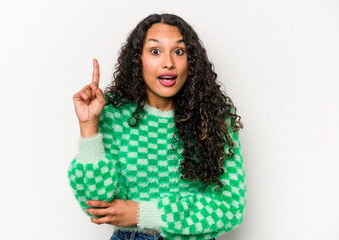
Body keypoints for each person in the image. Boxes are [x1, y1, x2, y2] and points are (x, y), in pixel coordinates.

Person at [68, 13, 246, 240]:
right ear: (138, 59)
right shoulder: (114, 114)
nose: (168, 62)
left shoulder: (214, 120)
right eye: (155, 51)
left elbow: (231, 207)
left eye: (179, 51)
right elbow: (97, 203)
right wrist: (88, 125)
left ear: (191, 62)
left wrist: (145, 214)